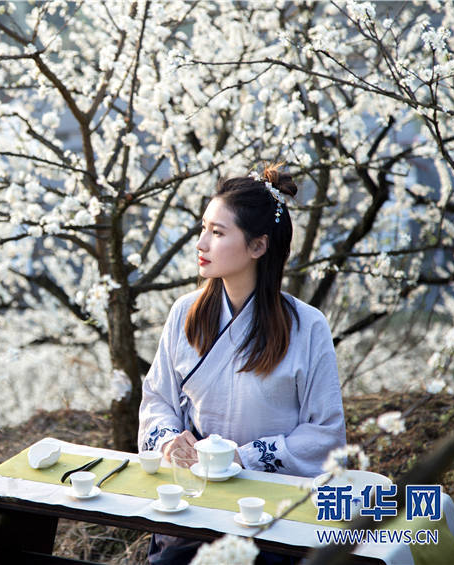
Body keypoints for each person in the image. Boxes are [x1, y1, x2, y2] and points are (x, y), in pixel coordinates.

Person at [137, 164, 346, 564]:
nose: (201, 243)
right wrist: (169, 439)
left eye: (217, 233)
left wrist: (242, 458)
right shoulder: (185, 312)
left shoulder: (307, 326)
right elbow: (157, 399)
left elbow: (326, 435)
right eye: (203, 228)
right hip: (194, 497)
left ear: (258, 246)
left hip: (271, 503)